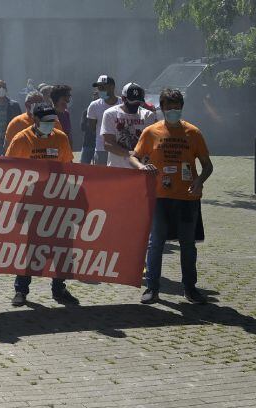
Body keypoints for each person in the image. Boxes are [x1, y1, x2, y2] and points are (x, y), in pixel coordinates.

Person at [129, 88, 212, 305]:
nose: (174, 111)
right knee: (155, 243)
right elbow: (134, 156)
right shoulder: (151, 132)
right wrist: (141, 167)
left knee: (188, 245)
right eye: (169, 107)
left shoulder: (193, 133)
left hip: (187, 198)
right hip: (159, 196)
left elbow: (207, 166)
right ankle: (152, 288)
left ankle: (190, 288)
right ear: (162, 108)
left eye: (177, 107)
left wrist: (200, 180)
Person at [4, 103, 79, 307]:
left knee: (61, 246)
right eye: (46, 122)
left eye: (53, 121)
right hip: (30, 203)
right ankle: (21, 290)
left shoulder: (60, 138)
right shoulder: (21, 139)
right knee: (30, 247)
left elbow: (68, 166)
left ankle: (59, 287)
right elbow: (9, 168)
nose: (51, 125)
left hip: (56, 200)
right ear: (35, 121)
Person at [100, 83, 156, 168]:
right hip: (118, 169)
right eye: (132, 102)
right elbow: (108, 144)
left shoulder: (148, 115)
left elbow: (154, 142)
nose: (135, 106)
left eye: (138, 102)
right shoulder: (111, 114)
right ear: (123, 98)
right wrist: (131, 154)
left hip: (141, 169)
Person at [85, 75, 119, 166]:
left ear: (112, 87)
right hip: (101, 149)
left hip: (121, 148)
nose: (100, 90)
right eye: (99, 87)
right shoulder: (94, 106)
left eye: (103, 87)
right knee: (101, 178)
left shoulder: (123, 103)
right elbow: (92, 127)